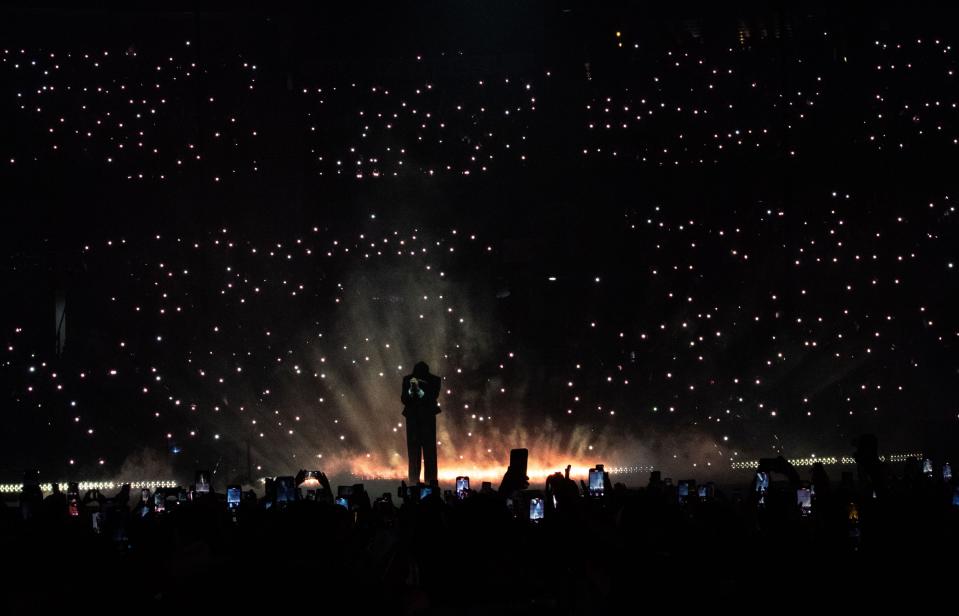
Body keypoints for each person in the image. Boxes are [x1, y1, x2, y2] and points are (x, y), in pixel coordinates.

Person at [401, 361, 441, 484]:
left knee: (429, 454)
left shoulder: (434, 380)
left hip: (427, 420)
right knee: (414, 454)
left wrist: (418, 390)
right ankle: (414, 483)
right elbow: (404, 399)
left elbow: (432, 397)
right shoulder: (407, 380)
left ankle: (431, 483)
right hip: (413, 420)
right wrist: (411, 390)